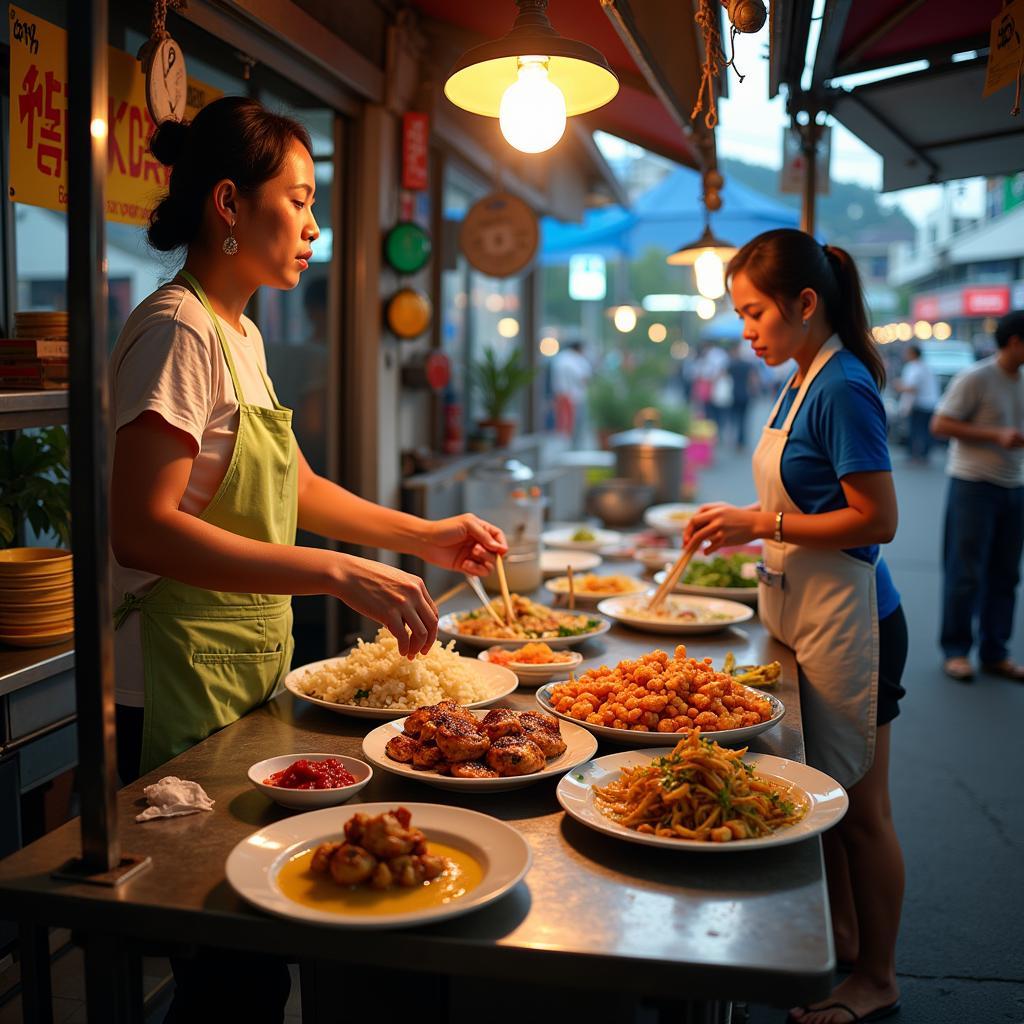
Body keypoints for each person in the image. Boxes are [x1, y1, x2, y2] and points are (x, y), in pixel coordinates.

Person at [108, 97, 506, 1021]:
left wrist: (420, 536)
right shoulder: (177, 330)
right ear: (228, 204)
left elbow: (294, 485)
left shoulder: (239, 331)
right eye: (299, 199)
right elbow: (143, 528)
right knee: (227, 967)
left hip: (241, 671)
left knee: (252, 953)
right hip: (174, 685)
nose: (315, 226)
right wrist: (334, 572)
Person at [684, 229, 906, 1024]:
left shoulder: (843, 384)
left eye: (753, 314)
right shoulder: (800, 376)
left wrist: (759, 521)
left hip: (855, 621)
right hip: (802, 614)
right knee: (832, 795)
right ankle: (843, 936)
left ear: (805, 304)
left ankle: (877, 977)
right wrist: (751, 523)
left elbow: (876, 518)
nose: (746, 330)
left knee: (864, 811)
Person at [930, 310, 1024, 682]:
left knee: (1006, 574)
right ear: (1015, 341)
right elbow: (940, 424)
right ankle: (956, 650)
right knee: (964, 571)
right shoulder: (976, 377)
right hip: (972, 484)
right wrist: (995, 435)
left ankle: (995, 651)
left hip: (1014, 486)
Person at [894, 344, 939, 461]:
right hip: (930, 403)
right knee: (925, 429)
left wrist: (899, 386)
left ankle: (915, 454)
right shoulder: (926, 367)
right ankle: (924, 454)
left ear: (913, 354)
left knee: (915, 430)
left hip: (919, 404)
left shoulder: (914, 367)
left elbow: (912, 388)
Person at [550, 338, 591, 445]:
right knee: (572, 424)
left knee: (562, 423)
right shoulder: (575, 360)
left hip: (560, 394)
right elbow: (583, 378)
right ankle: (571, 445)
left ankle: (564, 444)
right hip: (573, 396)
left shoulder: (560, 359)